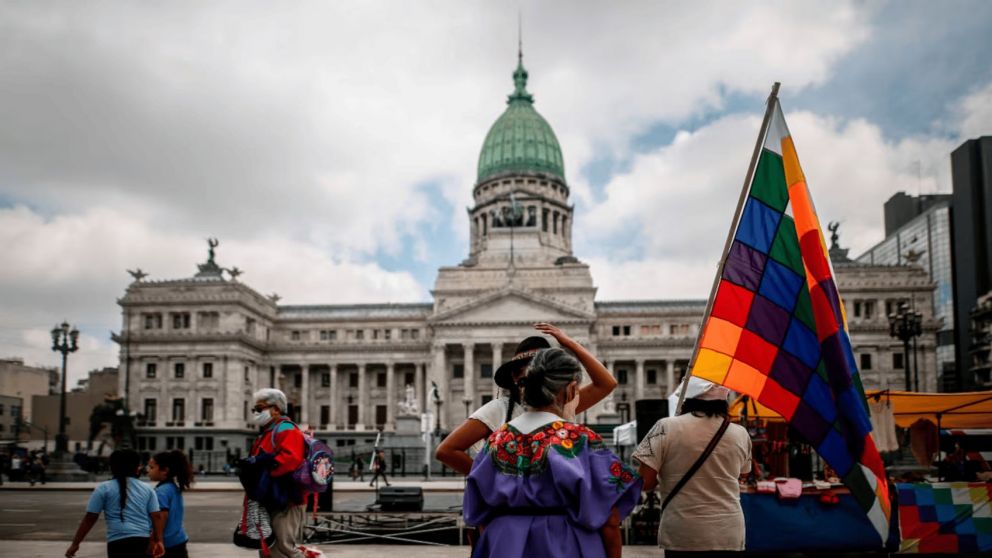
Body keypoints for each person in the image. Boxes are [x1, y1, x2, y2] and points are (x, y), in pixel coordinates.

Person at [464, 348, 641, 558]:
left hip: (503, 543)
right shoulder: (579, 439)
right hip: (566, 543)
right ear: (571, 390)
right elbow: (610, 518)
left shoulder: (496, 440)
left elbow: (478, 511)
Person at [437, 322, 618, 475]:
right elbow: (447, 450)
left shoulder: (562, 405)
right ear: (516, 378)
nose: (534, 373)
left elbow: (606, 384)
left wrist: (572, 344)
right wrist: (491, 479)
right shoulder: (498, 408)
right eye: (528, 368)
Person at [632, 377, 752, 556]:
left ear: (687, 398)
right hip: (728, 531)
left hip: (683, 532)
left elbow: (644, 483)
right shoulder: (740, 433)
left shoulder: (665, 427)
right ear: (724, 401)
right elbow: (743, 475)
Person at [66, 448, 165, 558]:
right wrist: (159, 541)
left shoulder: (103, 488)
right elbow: (156, 516)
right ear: (137, 468)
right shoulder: (147, 488)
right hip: (142, 541)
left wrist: (75, 544)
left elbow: (90, 517)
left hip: (117, 543)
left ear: (111, 467)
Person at [247, 388, 307, 558]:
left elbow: (290, 460)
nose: (256, 413)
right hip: (270, 499)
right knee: (268, 548)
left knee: (284, 548)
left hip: (285, 500)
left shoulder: (286, 428)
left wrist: (261, 467)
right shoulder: (267, 433)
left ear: (275, 409)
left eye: (259, 409)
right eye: (254, 410)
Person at [147, 449, 194, 558]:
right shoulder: (172, 488)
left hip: (167, 545)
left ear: (165, 470)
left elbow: (161, 517)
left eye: (152, 467)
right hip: (178, 541)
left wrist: (157, 541)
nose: (148, 470)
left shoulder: (161, 491)